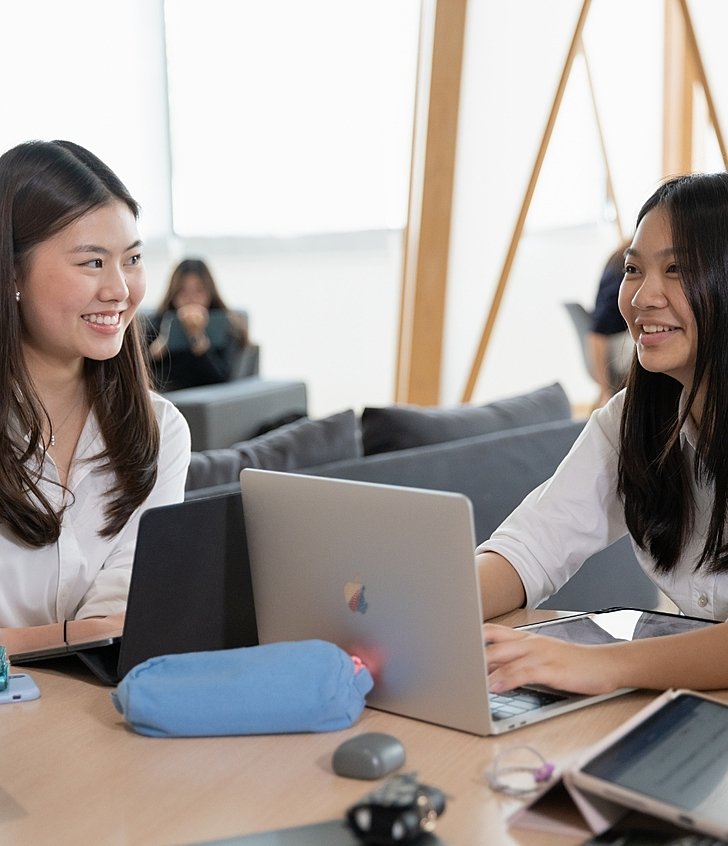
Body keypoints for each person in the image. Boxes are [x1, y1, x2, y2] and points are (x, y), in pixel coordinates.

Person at [476, 172, 728, 696]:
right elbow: (532, 548)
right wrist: (421, 608)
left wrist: (600, 665)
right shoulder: (630, 420)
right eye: (634, 269)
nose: (641, 297)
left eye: (677, 269)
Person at [0, 140, 191, 658]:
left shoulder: (159, 430)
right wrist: (73, 637)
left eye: (131, 259)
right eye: (91, 263)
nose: (120, 290)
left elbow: (122, 618)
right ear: (13, 274)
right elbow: (110, 630)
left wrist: (22, 643)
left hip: (86, 710)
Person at [147, 258, 248, 391]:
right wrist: (158, 349)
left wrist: (199, 341)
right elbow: (138, 376)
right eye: (183, 292)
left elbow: (224, 380)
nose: (191, 299)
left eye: (198, 291)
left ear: (209, 293)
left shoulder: (227, 327)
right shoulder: (157, 324)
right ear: (173, 294)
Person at [587, 239, 633, 408]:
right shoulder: (624, 261)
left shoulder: (622, 253)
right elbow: (597, 333)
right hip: (614, 348)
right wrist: (605, 390)